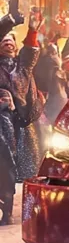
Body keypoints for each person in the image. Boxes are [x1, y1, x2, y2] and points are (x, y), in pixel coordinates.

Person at [0, 0, 44, 186]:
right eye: (3, 40)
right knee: (4, 172)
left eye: (11, 40)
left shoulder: (23, 66)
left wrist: (33, 30)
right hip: (2, 124)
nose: (8, 42)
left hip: (24, 126)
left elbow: (30, 51)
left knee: (28, 175)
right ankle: (7, 212)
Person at [0, 88, 16, 224]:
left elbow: (8, 137)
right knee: (6, 185)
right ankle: (7, 215)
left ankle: (7, 215)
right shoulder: (7, 114)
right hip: (6, 155)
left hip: (4, 155)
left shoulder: (4, 114)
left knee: (6, 185)